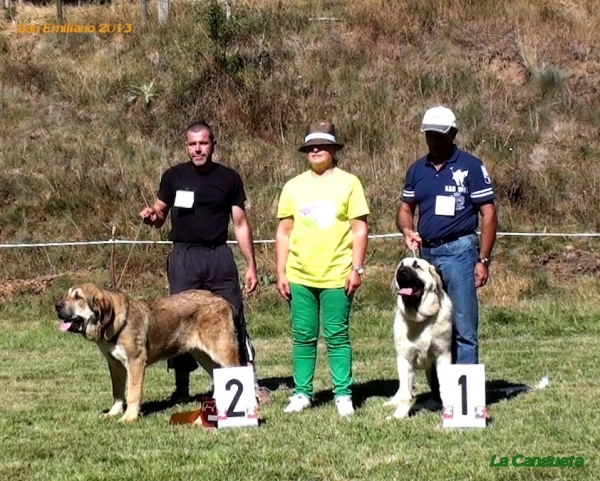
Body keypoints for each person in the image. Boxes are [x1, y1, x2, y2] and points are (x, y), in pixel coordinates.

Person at [139, 121, 268, 404]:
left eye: (204, 143)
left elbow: (241, 223)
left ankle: (247, 385)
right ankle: (182, 387)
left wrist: (251, 265)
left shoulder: (229, 179)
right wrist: (153, 217)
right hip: (184, 256)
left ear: (213, 145)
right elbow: (160, 213)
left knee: (233, 318)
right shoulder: (173, 177)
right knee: (179, 322)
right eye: (193, 144)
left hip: (218, 256)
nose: (198, 149)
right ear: (186, 146)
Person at [396, 106, 498, 401]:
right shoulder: (416, 170)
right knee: (431, 324)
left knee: (464, 326)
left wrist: (483, 259)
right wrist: (407, 229)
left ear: (453, 134)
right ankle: (440, 392)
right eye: (429, 134)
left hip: (461, 251)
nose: (434, 140)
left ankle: (468, 400)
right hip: (427, 255)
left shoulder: (471, 167)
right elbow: (405, 209)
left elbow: (488, 214)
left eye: (440, 135)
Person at [275, 120, 370, 417]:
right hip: (300, 274)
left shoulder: (350, 183)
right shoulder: (293, 186)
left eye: (322, 145)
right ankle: (302, 392)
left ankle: (343, 394)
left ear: (333, 149)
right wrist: (281, 271)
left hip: (337, 274)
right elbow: (283, 231)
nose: (315, 150)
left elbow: (359, 230)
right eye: (310, 146)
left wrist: (357, 269)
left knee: (337, 335)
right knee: (302, 335)